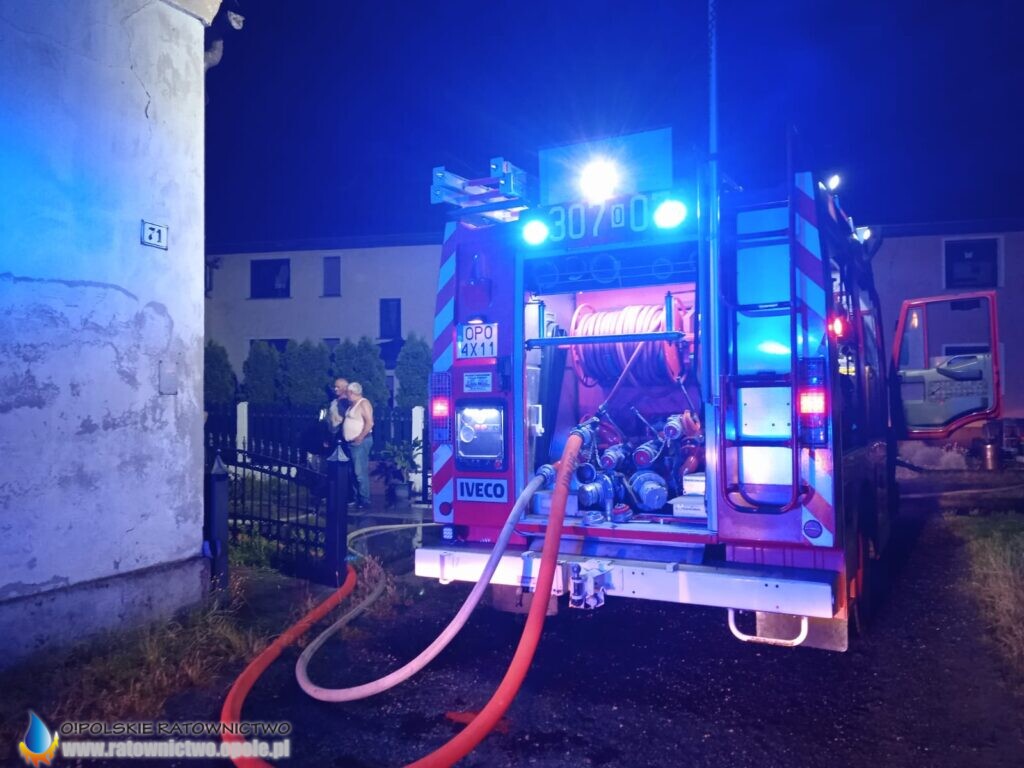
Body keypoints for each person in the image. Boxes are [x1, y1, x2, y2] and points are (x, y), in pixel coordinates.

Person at [344, 381, 374, 509]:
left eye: (347, 392)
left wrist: (360, 437)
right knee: (353, 472)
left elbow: (369, 423)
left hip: (360, 442)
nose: (346, 395)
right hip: (351, 442)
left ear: (352, 392)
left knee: (359, 472)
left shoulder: (363, 403)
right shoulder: (352, 405)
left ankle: (364, 499)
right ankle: (357, 498)